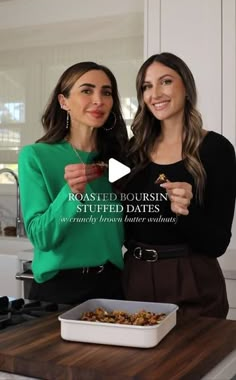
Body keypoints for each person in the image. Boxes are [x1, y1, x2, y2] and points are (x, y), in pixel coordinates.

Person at [122, 52, 236, 320]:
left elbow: (218, 242)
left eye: (166, 82)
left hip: (192, 279)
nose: (155, 93)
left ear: (186, 87)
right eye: (147, 86)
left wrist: (185, 212)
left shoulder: (216, 149)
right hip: (134, 279)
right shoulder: (132, 152)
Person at [18, 61, 128, 304]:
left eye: (106, 92)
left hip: (113, 287)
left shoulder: (121, 160)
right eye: (87, 90)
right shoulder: (36, 156)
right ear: (63, 101)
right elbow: (41, 237)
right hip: (59, 291)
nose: (98, 100)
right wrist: (72, 194)